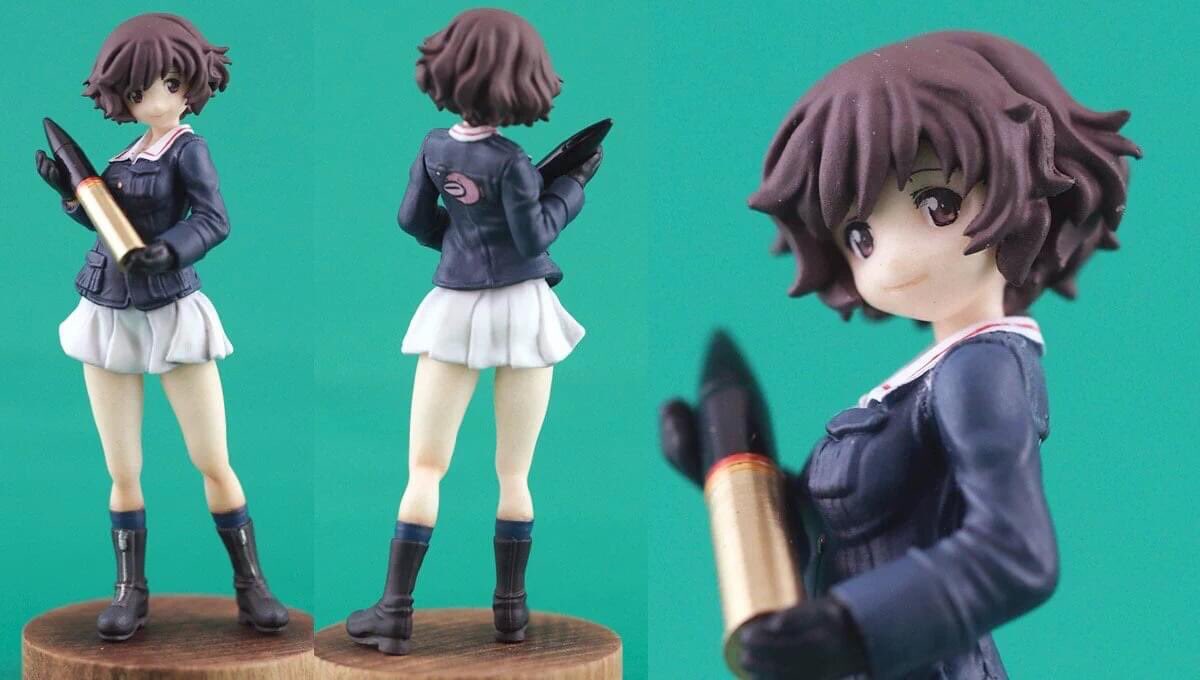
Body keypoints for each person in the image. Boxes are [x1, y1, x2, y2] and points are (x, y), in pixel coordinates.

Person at [661, 31, 1139, 679]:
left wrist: (851, 626)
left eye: (937, 204)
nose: (891, 258)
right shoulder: (924, 383)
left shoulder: (981, 369)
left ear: (1024, 190)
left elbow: (1015, 553)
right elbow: (851, 532)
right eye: (860, 236)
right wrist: (736, 485)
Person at [345, 8, 603, 655]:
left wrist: (458, 245)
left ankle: (395, 611)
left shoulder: (435, 147)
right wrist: (571, 187)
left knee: (425, 466)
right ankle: (510, 612)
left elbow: (412, 219)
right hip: (522, 310)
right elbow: (533, 237)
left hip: (455, 307)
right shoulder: (512, 162)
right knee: (514, 472)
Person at [34, 13, 288, 641]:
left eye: (170, 83)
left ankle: (251, 583)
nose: (156, 98)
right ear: (119, 93)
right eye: (139, 87)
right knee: (122, 465)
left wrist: (169, 251)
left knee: (212, 457)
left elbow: (213, 219)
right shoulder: (122, 157)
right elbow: (110, 226)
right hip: (107, 305)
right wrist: (73, 196)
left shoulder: (187, 149)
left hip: (170, 307)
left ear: (190, 84)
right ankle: (130, 590)